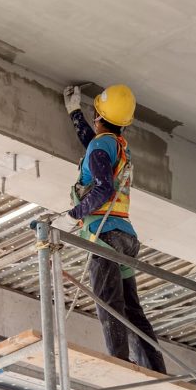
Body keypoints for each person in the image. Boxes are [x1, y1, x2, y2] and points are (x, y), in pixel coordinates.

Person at [55, 83, 167, 373]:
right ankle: (155, 370)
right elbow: (95, 151)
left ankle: (118, 362)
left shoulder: (100, 147)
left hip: (103, 236)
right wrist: (75, 114)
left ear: (99, 114)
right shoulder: (115, 146)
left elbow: (102, 188)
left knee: (110, 304)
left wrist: (71, 216)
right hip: (126, 237)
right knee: (131, 310)